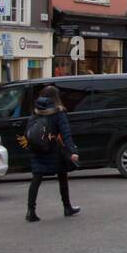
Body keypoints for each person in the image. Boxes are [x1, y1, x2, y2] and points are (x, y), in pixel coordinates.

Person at [25, 85, 80, 222]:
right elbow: (66, 133)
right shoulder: (58, 111)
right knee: (62, 177)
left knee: (36, 179)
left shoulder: (36, 110)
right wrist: (72, 151)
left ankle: (30, 211)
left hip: (37, 148)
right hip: (54, 148)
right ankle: (67, 207)